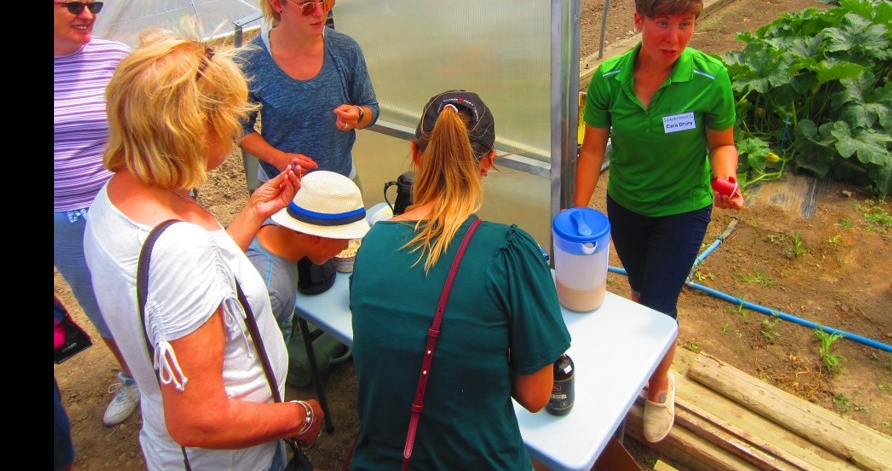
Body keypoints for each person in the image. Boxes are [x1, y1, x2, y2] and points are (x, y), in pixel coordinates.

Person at [83, 36, 324, 470]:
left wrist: (253, 211)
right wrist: (298, 415)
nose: (235, 130)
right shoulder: (177, 247)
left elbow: (200, 287)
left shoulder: (119, 197)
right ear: (191, 126)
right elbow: (200, 419)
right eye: (228, 116)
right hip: (234, 460)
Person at [349, 90, 571, 470]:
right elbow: (537, 396)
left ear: (416, 154)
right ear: (489, 162)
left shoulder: (371, 246)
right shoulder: (511, 253)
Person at [573, 0, 745, 444]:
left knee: (659, 304)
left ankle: (658, 384)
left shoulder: (711, 78)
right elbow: (592, 151)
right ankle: (647, 354)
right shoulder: (609, 79)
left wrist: (726, 178)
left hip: (682, 209)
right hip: (626, 205)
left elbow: (723, 144)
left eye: (685, 24)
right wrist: (576, 212)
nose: (675, 37)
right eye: (663, 23)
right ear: (638, 21)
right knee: (643, 290)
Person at [53, 0, 141, 427]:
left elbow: (146, 126)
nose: (87, 14)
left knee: (144, 291)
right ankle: (135, 378)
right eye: (73, 6)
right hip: (62, 217)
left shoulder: (113, 59)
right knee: (100, 302)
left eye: (92, 5)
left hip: (119, 204)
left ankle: (167, 373)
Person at [237, 0, 379, 190]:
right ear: (277, 4)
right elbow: (238, 128)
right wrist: (278, 158)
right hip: (280, 187)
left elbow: (370, 108)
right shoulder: (252, 60)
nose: (320, 13)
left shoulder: (345, 49)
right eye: (307, 6)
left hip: (340, 183)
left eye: (325, 1)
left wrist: (357, 115)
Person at [246, 169, 370, 330]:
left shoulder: (268, 227)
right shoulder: (271, 291)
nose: (346, 246)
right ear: (317, 236)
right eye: (345, 239)